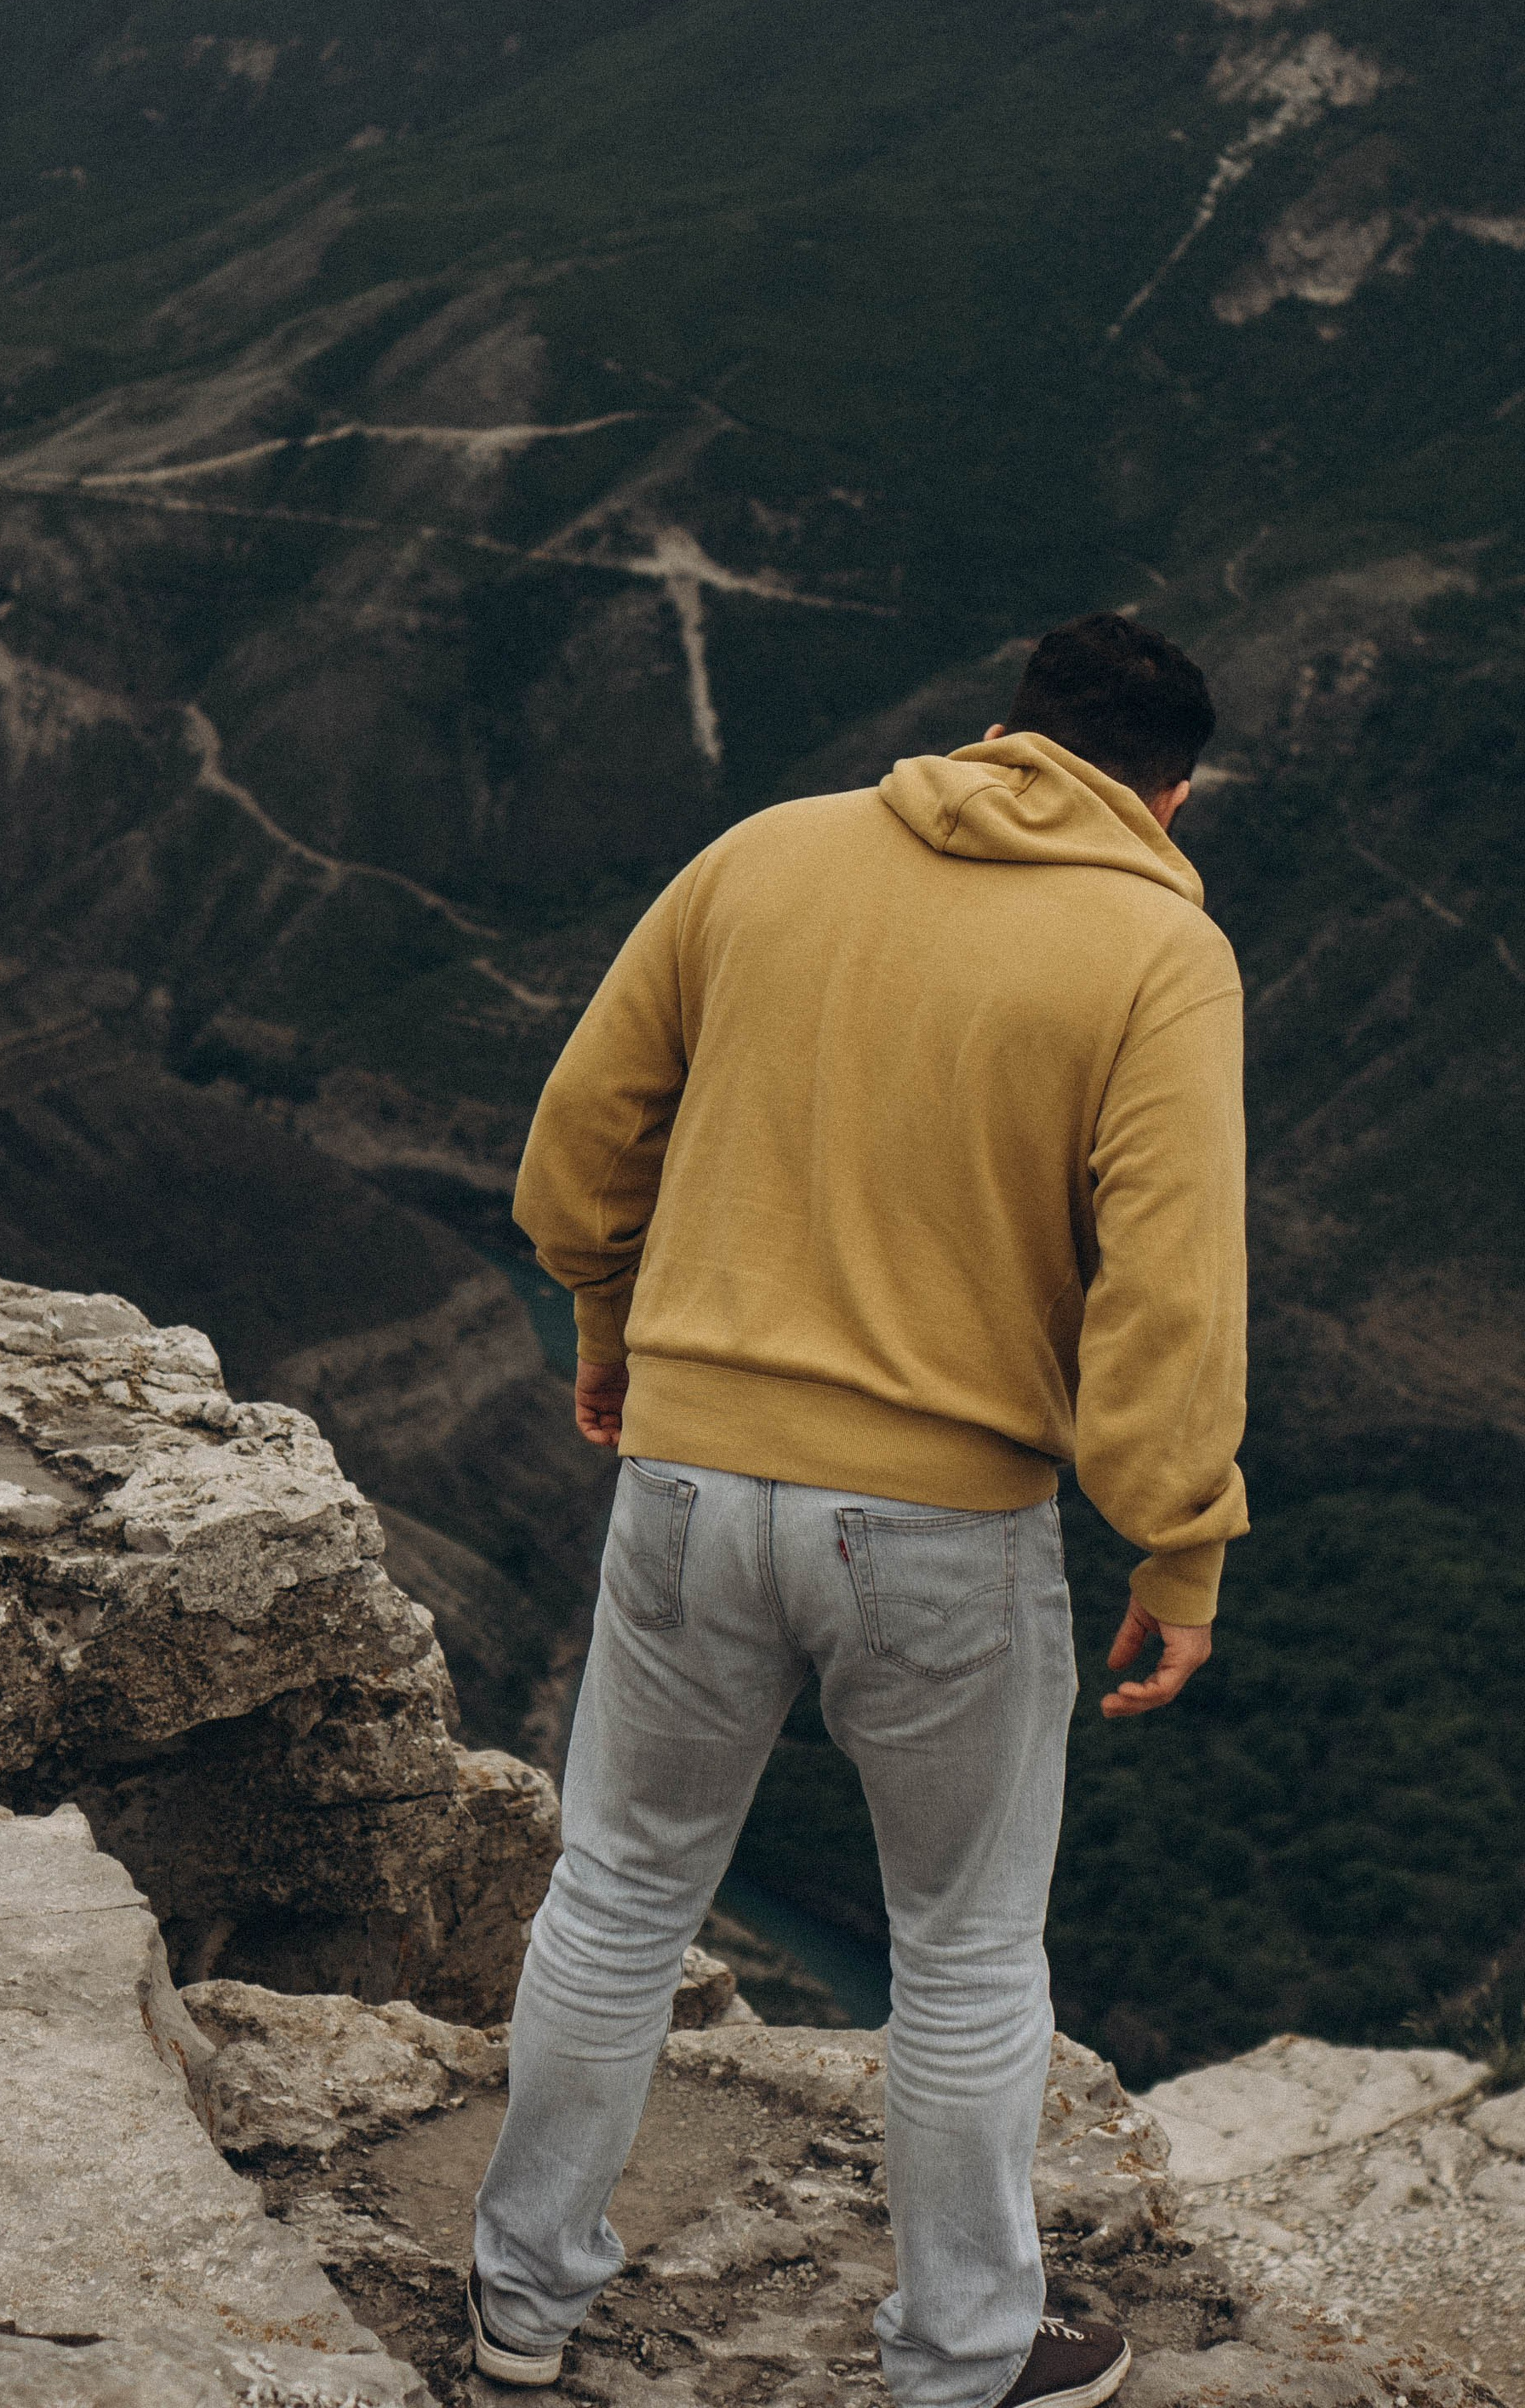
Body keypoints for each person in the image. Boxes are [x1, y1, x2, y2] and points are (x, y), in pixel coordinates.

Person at [471, 613, 1249, 2405]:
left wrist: (609, 1328)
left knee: (615, 1893)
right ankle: (965, 2355)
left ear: (994, 732)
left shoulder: (767, 852)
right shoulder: (1157, 950)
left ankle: (520, 2307)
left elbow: (579, 1145)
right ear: (1169, 795)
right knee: (965, 1954)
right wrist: (1176, 1538)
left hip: (682, 1478)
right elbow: (1167, 1297)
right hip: (936, 1524)